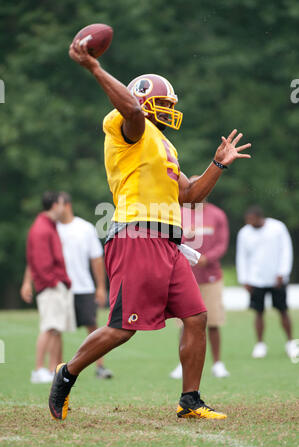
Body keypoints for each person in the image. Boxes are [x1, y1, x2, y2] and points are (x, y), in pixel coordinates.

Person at [48, 38, 251, 422]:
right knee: (124, 328)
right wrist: (94, 67)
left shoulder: (165, 144)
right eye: (162, 103)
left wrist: (217, 165)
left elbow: (189, 196)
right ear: (140, 100)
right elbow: (130, 109)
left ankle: (189, 400)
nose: (168, 110)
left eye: (170, 105)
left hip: (168, 241)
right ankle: (67, 372)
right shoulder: (131, 127)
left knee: (196, 316)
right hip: (136, 235)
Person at [22, 192, 113, 379]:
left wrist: (101, 286)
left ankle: (100, 366)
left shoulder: (84, 228)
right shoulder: (48, 228)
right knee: (55, 328)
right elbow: (35, 257)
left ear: (67, 205)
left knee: (91, 325)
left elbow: (96, 259)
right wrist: (27, 282)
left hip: (82, 286)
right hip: (57, 286)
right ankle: (54, 368)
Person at [170, 199, 230, 379]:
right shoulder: (177, 213)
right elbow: (173, 241)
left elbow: (222, 244)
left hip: (211, 277)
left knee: (213, 323)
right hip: (185, 276)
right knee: (184, 324)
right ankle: (183, 364)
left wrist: (206, 258)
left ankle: (218, 363)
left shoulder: (217, 214)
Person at [21, 191, 76, 383]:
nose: (64, 207)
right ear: (54, 206)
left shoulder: (49, 226)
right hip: (50, 286)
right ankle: (38, 369)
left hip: (56, 284)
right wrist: (53, 282)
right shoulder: (41, 229)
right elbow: (41, 262)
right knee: (49, 326)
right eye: (62, 204)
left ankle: (53, 368)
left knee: (55, 328)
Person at [236, 206, 297, 359]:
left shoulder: (277, 227)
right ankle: (260, 344)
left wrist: (283, 272)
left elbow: (286, 250)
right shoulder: (244, 233)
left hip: (277, 278)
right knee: (258, 312)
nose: (249, 223)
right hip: (256, 278)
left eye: (252, 220)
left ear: (259, 217)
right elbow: (242, 256)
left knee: (282, 310)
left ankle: (290, 343)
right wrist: (244, 279)